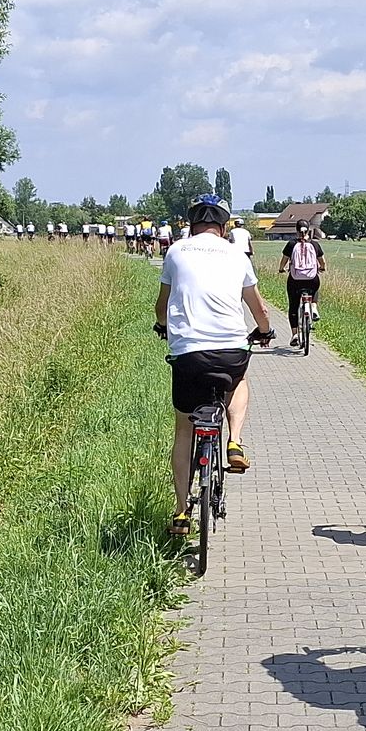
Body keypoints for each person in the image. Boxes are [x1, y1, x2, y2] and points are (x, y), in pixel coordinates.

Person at [156, 193, 275, 535]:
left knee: (184, 429)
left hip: (188, 355)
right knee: (239, 381)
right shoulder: (237, 254)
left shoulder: (176, 251)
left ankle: (181, 512)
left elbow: (162, 305)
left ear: (192, 225)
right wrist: (264, 331)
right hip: (230, 352)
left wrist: (163, 326)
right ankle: (234, 441)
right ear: (223, 227)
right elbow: (258, 308)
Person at [279, 221, 325, 326]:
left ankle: (295, 333)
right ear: (308, 230)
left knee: (293, 306)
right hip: (312, 280)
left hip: (295, 280)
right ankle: (313, 306)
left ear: (296, 231)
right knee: (315, 288)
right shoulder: (314, 244)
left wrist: (281, 269)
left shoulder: (291, 244)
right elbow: (322, 261)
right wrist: (322, 268)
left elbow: (284, 260)